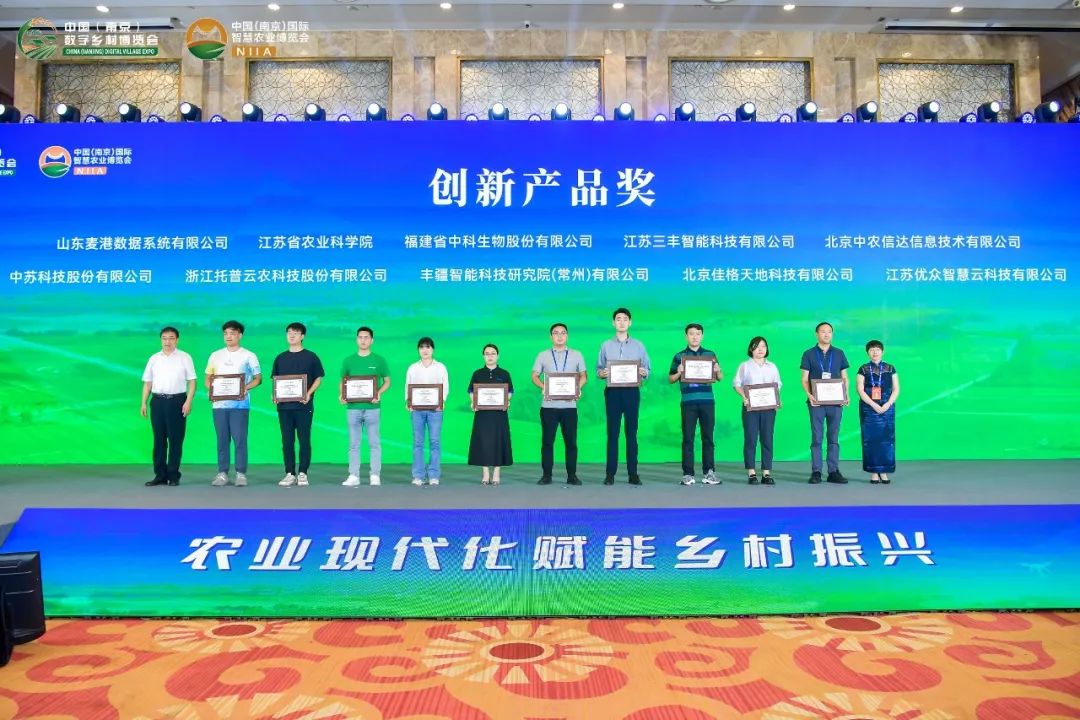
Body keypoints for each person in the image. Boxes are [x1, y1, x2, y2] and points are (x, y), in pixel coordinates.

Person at [597, 307, 651, 485]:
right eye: (618, 319)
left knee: (631, 433)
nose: (621, 322)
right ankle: (610, 474)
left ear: (630, 322)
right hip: (612, 393)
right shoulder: (605, 345)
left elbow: (647, 369)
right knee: (612, 433)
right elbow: (599, 369)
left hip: (631, 392)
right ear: (613, 323)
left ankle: (633, 474)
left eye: (625, 319)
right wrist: (602, 373)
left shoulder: (639, 345)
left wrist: (643, 372)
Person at [205, 320, 261, 487]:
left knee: (240, 439)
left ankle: (240, 473)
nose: (228, 336)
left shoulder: (249, 355)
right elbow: (208, 378)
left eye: (232, 333)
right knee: (222, 440)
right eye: (226, 333)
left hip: (240, 405)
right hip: (219, 406)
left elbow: (258, 379)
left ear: (240, 335)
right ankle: (222, 473)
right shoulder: (215, 355)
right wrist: (212, 389)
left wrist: (244, 388)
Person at [531, 323, 588, 486]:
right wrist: (544, 387)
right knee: (547, 442)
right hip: (548, 407)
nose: (560, 336)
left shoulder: (577, 354)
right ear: (551, 337)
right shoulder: (542, 355)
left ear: (567, 336)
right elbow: (534, 375)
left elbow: (584, 376)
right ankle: (546, 475)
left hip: (569, 407)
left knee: (571, 443)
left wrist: (578, 388)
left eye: (563, 333)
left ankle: (572, 475)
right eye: (556, 333)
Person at [140, 326, 196, 487]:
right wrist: (143, 402)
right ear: (160, 340)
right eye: (164, 338)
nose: (167, 341)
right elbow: (147, 383)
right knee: (159, 439)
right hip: (158, 401)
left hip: (177, 401)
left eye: (171, 338)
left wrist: (188, 401)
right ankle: (160, 475)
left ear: (177, 340)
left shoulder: (185, 357)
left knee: (175, 439)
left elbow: (192, 382)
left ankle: (173, 475)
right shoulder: (154, 359)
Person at [668, 323, 722, 486]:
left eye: (698, 334)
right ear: (686, 336)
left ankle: (709, 472)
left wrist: (718, 370)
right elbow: (671, 379)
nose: (695, 336)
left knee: (708, 437)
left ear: (702, 336)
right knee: (688, 438)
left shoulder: (710, 354)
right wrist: (679, 372)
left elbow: (720, 377)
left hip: (707, 402)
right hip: (688, 402)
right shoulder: (679, 356)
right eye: (691, 334)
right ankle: (688, 474)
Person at [272, 322, 324, 487]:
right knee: (287, 441)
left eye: (295, 332)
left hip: (303, 406)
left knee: (304, 440)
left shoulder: (311, 357)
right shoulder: (280, 358)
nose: (292, 335)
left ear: (302, 336)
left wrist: (308, 393)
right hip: (284, 408)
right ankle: (289, 473)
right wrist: (275, 394)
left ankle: (303, 473)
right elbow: (276, 380)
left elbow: (318, 378)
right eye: (289, 332)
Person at [340, 326, 391, 487]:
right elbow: (343, 381)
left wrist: (378, 393)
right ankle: (353, 475)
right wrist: (342, 395)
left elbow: (387, 381)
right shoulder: (348, 360)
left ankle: (375, 475)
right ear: (357, 339)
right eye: (360, 337)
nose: (363, 340)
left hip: (373, 408)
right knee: (353, 444)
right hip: (353, 408)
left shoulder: (379, 360)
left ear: (371, 340)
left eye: (366, 337)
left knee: (374, 443)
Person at [799, 321, 850, 484]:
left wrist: (846, 394)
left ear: (832, 334)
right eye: (823, 331)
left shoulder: (839, 353)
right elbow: (804, 379)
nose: (826, 334)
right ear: (817, 334)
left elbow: (845, 377)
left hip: (836, 403)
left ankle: (833, 471)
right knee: (817, 437)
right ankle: (816, 472)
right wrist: (809, 395)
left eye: (829, 331)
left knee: (833, 437)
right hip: (816, 403)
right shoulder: (808, 354)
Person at [732, 336, 782, 485]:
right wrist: (743, 396)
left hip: (768, 408)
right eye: (757, 346)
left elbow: (777, 384)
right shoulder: (745, 366)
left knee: (767, 438)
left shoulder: (772, 366)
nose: (761, 349)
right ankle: (751, 472)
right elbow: (736, 383)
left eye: (763, 346)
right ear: (751, 349)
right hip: (750, 408)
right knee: (751, 438)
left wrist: (777, 399)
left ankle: (766, 473)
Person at [405, 336, 449, 486]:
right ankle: (418, 475)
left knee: (434, 441)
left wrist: (441, 402)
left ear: (433, 349)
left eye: (428, 347)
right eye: (422, 347)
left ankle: (433, 475)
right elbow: (408, 386)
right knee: (418, 442)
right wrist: (409, 402)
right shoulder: (412, 368)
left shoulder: (441, 367)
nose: (425, 350)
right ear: (418, 350)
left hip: (435, 410)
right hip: (417, 411)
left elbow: (445, 387)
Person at [468, 343, 514, 485]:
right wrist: (473, 402)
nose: (490, 356)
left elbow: (510, 392)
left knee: (499, 441)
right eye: (487, 354)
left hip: (499, 414)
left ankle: (497, 473)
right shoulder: (477, 374)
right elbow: (471, 391)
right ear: (483, 356)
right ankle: (485, 473)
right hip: (482, 414)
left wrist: (506, 401)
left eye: (493, 353)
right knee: (483, 442)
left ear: (498, 356)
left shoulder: (505, 374)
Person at [856, 340, 900, 484]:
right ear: (867, 352)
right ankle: (874, 472)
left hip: (887, 408)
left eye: (877, 349)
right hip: (869, 409)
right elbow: (860, 390)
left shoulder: (890, 368)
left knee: (887, 440)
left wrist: (888, 403)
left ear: (882, 351)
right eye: (872, 350)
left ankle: (884, 471)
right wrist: (873, 404)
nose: (875, 352)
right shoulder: (863, 369)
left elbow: (896, 388)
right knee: (871, 440)